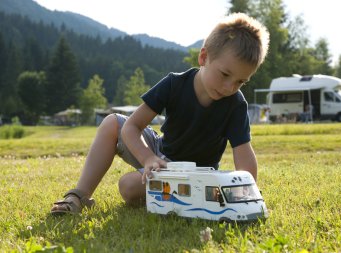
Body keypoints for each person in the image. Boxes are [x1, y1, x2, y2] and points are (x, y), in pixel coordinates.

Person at [51, 12, 270, 215]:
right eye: (224, 74)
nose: (229, 87)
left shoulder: (235, 104)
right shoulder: (174, 84)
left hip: (198, 174)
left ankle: (183, 198)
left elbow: (243, 152)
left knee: (128, 187)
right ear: (203, 58)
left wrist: (248, 194)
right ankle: (78, 196)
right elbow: (132, 127)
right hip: (160, 155)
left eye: (241, 81)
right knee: (112, 123)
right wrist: (148, 158)